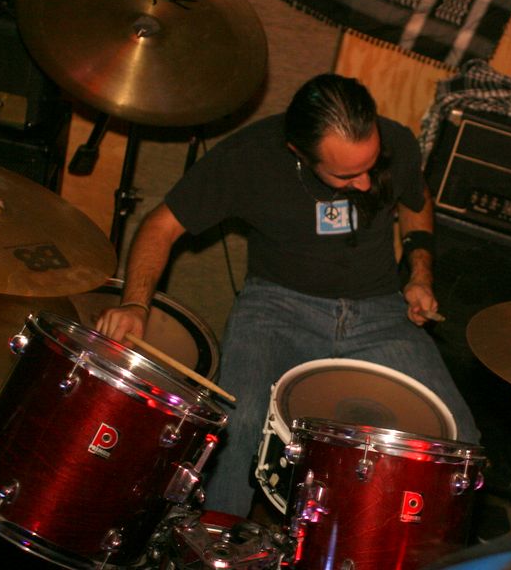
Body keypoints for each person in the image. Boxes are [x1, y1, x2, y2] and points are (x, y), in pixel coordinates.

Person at [97, 73, 480, 517]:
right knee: (237, 425)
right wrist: (135, 303)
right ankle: (217, 538)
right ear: (298, 152)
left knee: (460, 440)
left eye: (370, 167)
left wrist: (420, 275)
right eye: (346, 174)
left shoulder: (395, 141)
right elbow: (160, 226)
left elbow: (416, 199)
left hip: (380, 311)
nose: (364, 183)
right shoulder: (249, 157)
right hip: (277, 306)